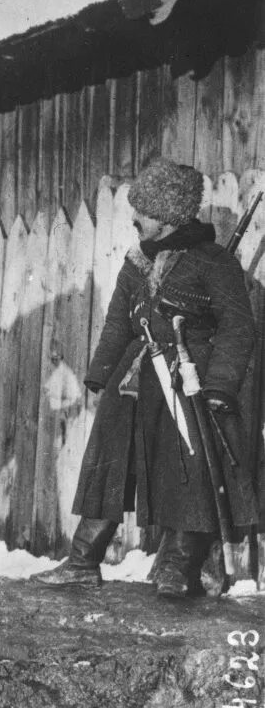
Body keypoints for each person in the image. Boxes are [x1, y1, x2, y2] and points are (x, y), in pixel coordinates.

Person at [33, 158, 257, 597]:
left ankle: (177, 566)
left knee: (188, 470)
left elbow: (238, 327)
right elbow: (119, 322)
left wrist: (219, 386)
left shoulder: (213, 263)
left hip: (187, 381)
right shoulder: (137, 262)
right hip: (133, 377)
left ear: (170, 216)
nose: (135, 218)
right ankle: (82, 560)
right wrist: (100, 373)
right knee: (109, 463)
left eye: (145, 212)